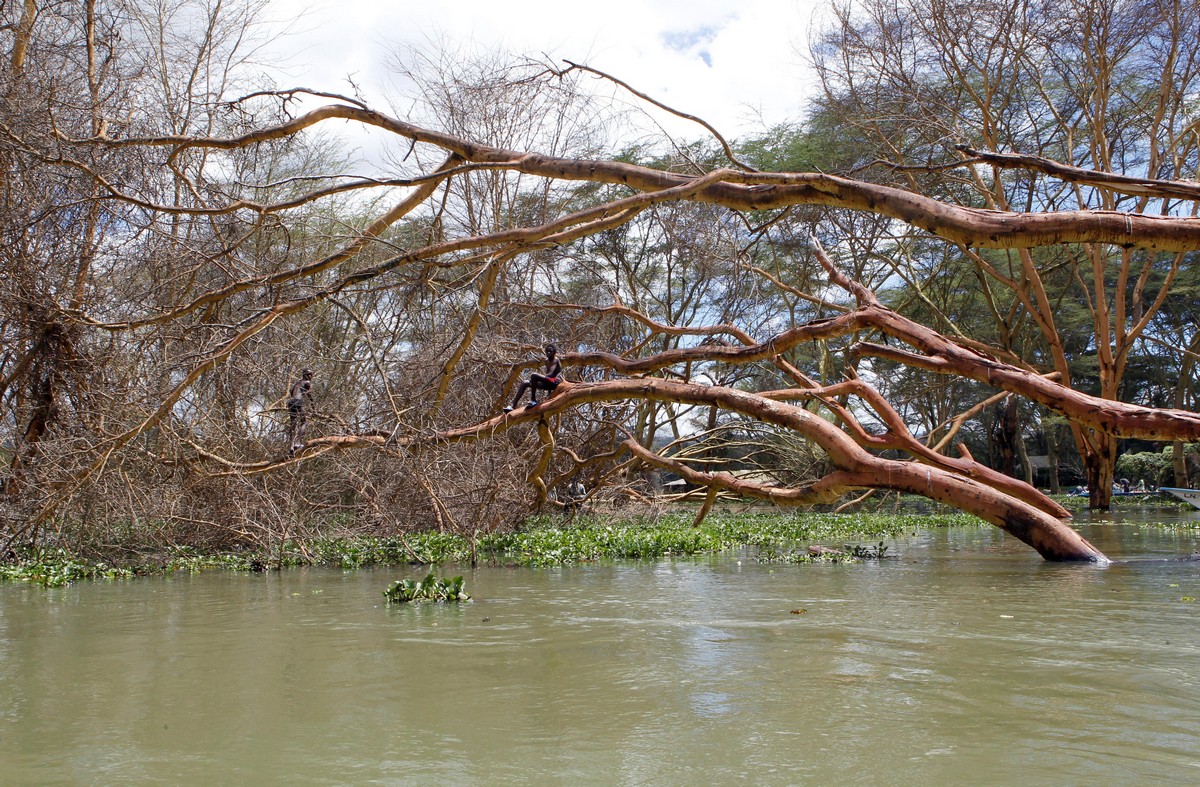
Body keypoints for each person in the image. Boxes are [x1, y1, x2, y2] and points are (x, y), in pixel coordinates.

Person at [505, 344, 562, 413]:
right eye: (547, 351)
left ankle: (533, 400)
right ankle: (513, 406)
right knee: (525, 383)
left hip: (554, 383)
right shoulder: (547, 361)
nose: (548, 353)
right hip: (548, 383)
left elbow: (550, 375)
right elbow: (547, 377)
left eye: (551, 351)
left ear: (554, 352)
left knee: (534, 375)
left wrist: (538, 379)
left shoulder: (556, 360)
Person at [286, 368, 314, 453]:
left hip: (291, 402)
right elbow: (309, 395)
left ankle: (291, 446)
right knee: (304, 422)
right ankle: (297, 442)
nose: (310, 376)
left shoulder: (297, 382)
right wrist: (314, 407)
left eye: (311, 374)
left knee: (293, 424)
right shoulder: (307, 383)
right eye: (309, 374)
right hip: (298, 402)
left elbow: (291, 392)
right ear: (305, 375)